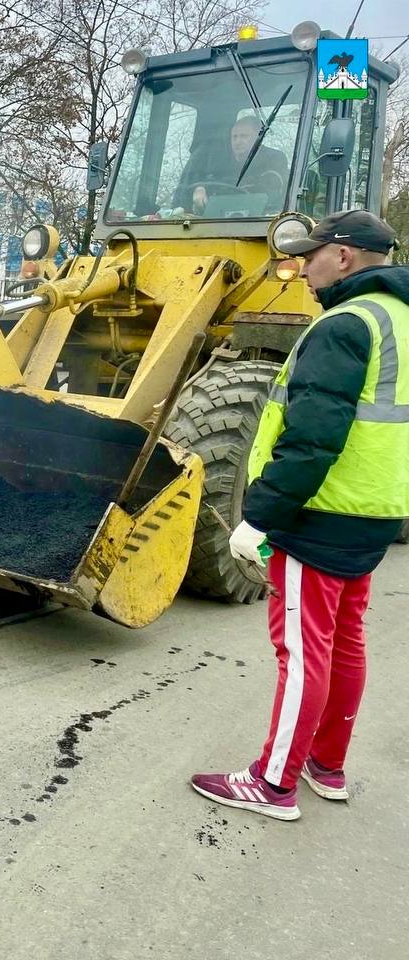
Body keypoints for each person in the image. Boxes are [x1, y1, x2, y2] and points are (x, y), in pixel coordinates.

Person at [191, 210, 407, 820]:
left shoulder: (345, 325)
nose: (301, 267)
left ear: (342, 256)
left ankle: (273, 781)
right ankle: (326, 766)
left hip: (319, 514)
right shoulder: (401, 320)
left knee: (303, 649)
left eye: (310, 256)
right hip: (375, 510)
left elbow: (311, 439)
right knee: (344, 643)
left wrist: (259, 516)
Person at [174, 115, 289, 215]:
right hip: (218, 221)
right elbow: (198, 185)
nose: (238, 141)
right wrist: (199, 188)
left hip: (261, 221)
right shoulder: (220, 162)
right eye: (234, 137)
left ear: (258, 137)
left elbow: (265, 191)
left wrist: (211, 190)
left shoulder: (275, 158)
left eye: (244, 136)